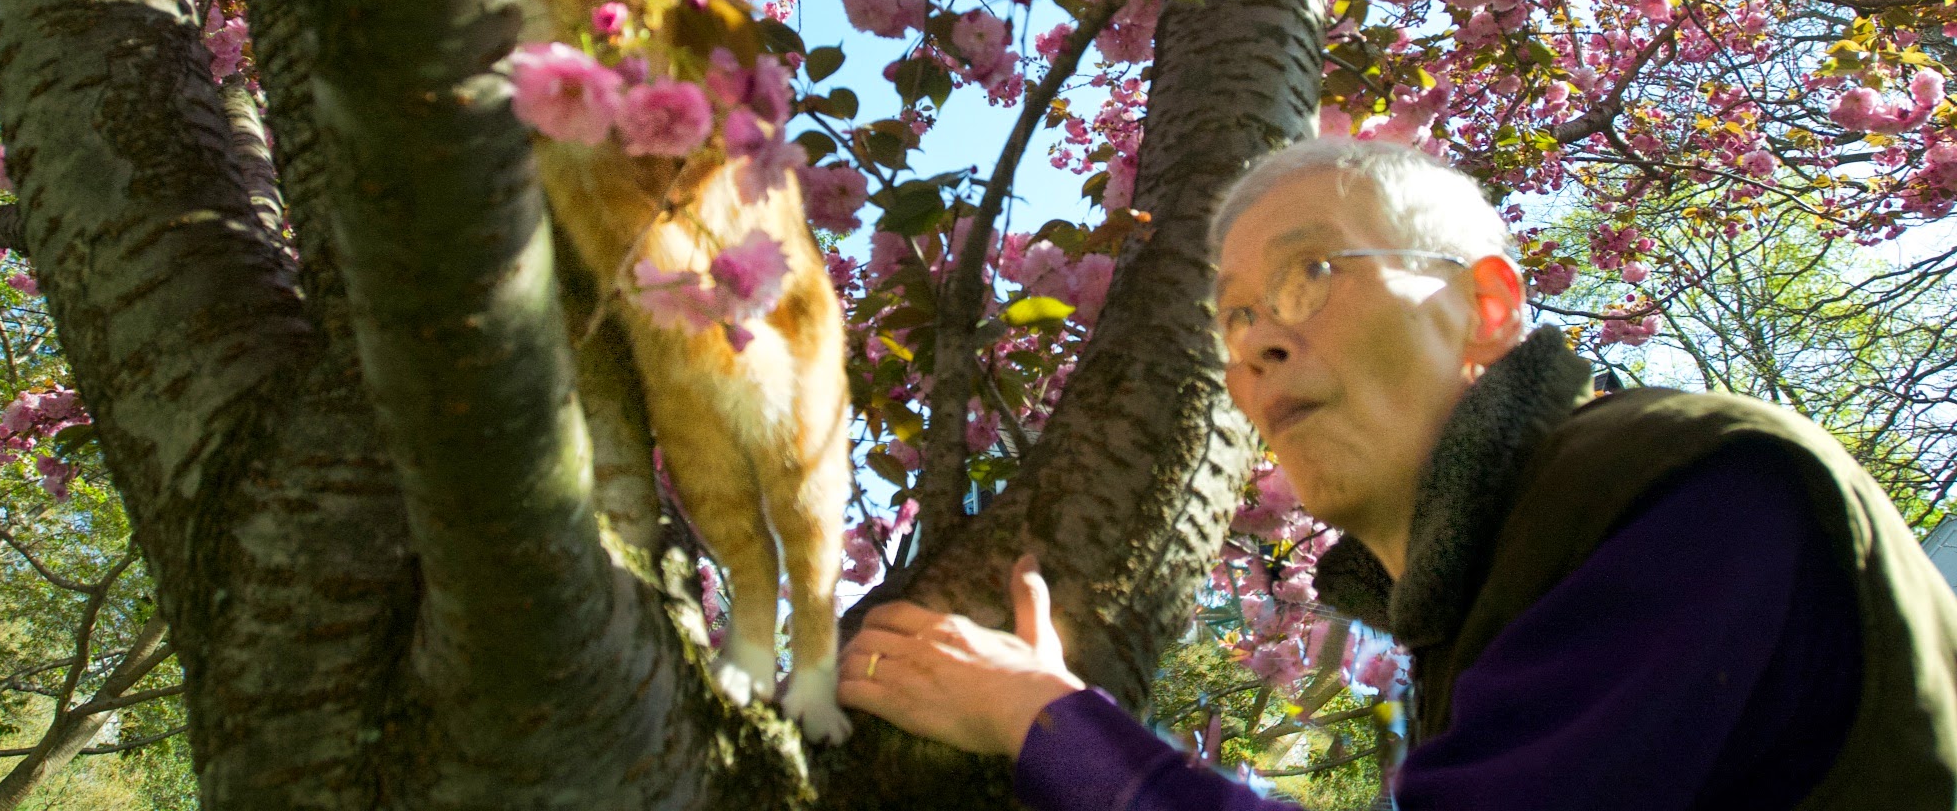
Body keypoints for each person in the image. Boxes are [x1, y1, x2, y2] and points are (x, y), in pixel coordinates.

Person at [836, 139, 1957, 809]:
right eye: (1231, 318)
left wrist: (1049, 724)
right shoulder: (1491, 594)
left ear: (1487, 307)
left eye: (1311, 272)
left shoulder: (1684, 490)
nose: (1254, 345)